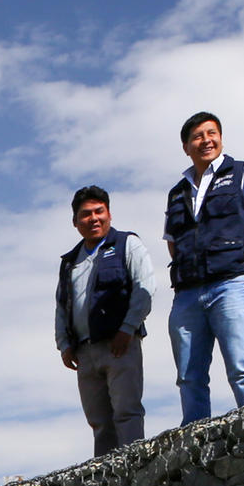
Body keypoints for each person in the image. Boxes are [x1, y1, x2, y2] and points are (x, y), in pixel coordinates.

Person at [163, 111, 244, 423]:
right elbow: (173, 241)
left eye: (211, 133)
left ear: (221, 138)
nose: (206, 141)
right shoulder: (177, 192)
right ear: (186, 146)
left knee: (241, 365)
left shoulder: (243, 171)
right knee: (189, 374)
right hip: (187, 294)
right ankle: (195, 438)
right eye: (198, 136)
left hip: (232, 283)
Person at [54, 185, 157, 456]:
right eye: (86, 214)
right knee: (99, 422)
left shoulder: (127, 244)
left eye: (99, 211)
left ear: (109, 214)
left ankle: (134, 468)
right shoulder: (69, 262)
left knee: (127, 412)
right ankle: (104, 483)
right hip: (85, 352)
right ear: (75, 222)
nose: (94, 218)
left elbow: (145, 288)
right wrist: (64, 344)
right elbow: (62, 305)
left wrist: (128, 328)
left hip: (120, 344)